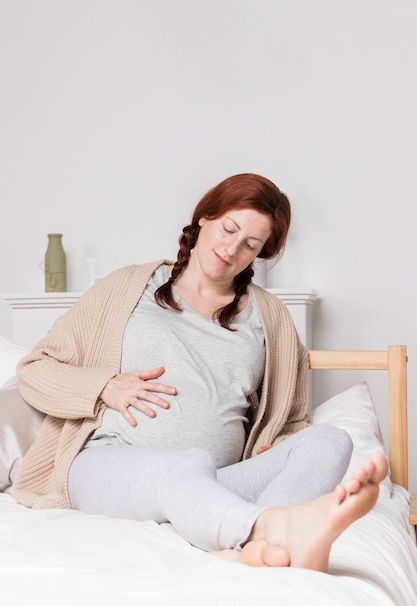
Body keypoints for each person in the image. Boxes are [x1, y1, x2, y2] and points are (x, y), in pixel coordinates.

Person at [12, 173, 388, 571]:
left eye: (250, 245)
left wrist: (277, 442)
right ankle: (271, 530)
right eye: (228, 228)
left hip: (212, 482)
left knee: (329, 439)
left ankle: (257, 544)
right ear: (205, 217)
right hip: (107, 468)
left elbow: (290, 417)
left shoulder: (270, 317)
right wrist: (104, 385)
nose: (232, 249)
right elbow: (35, 368)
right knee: (184, 464)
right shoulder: (127, 287)